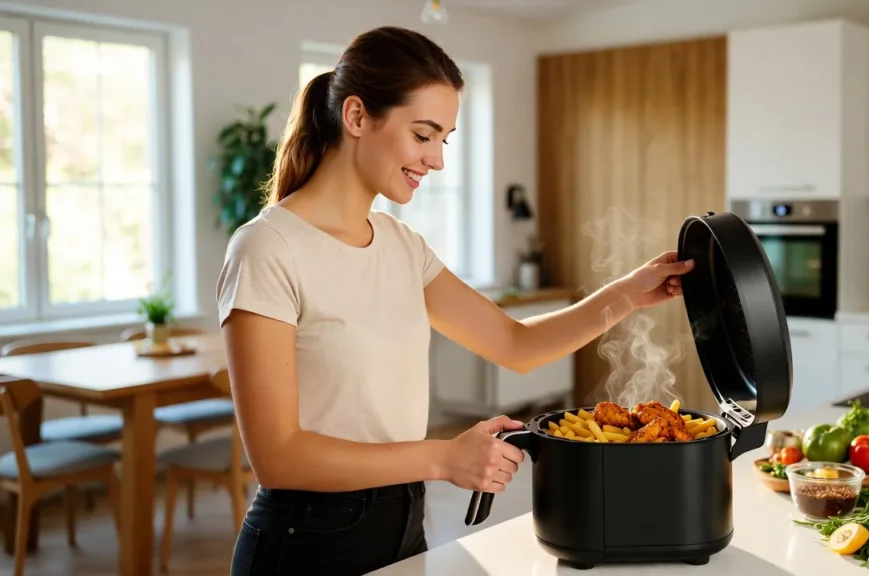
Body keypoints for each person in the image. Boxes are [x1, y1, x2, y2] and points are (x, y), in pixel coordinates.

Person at [217, 25, 695, 576]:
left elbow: (516, 344)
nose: (437, 160)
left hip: (404, 524)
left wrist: (627, 295)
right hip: (306, 541)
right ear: (356, 117)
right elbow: (278, 458)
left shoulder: (402, 245)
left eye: (444, 139)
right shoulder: (267, 247)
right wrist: (444, 457)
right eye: (423, 135)